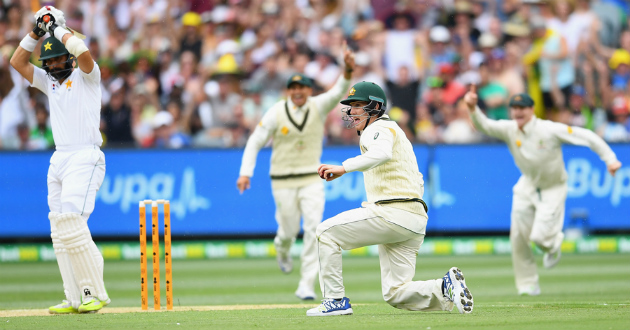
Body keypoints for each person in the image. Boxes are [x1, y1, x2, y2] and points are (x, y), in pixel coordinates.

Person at [307, 82, 473, 316]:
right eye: (350, 106)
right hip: (414, 219)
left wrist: (343, 168)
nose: (352, 111)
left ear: (375, 107)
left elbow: (381, 153)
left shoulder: (378, 129)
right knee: (396, 293)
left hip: (392, 213)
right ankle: (445, 287)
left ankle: (335, 300)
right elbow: (418, 177)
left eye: (357, 105)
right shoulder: (393, 131)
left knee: (326, 233)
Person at [463, 86, 622, 296]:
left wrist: (610, 159)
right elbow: (484, 126)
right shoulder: (509, 129)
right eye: (515, 108)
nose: (518, 112)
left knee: (539, 238)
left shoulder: (548, 129)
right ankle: (528, 285)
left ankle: (552, 243)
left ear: (532, 110)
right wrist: (473, 108)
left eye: (523, 108)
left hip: (553, 187)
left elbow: (587, 136)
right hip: (527, 185)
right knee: (518, 237)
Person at [10, 6, 110, 313]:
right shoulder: (49, 82)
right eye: (48, 61)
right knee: (60, 231)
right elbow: (17, 61)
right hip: (59, 159)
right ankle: (73, 297)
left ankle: (96, 293)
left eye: (56, 59)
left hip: (85, 156)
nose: (52, 65)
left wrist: (57, 29)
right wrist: (37, 31)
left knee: (72, 222)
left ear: (66, 57)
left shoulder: (88, 77)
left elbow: (82, 50)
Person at [236, 45, 355, 301]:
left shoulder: (318, 106)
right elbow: (255, 140)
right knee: (287, 232)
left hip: (312, 179)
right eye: (294, 88)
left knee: (315, 229)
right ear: (288, 91)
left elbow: (337, 91)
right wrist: (246, 173)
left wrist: (347, 69)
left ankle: (306, 284)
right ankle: (282, 250)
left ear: (309, 90)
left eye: (302, 88)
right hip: (282, 182)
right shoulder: (276, 112)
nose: (298, 92)